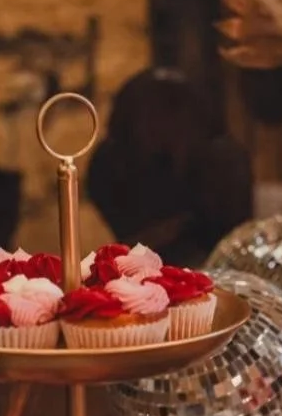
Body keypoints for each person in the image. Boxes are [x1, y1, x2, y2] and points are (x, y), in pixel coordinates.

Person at [86, 68, 253, 268]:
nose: (162, 123)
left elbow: (229, 231)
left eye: (172, 110)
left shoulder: (222, 161)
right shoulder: (112, 162)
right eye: (153, 112)